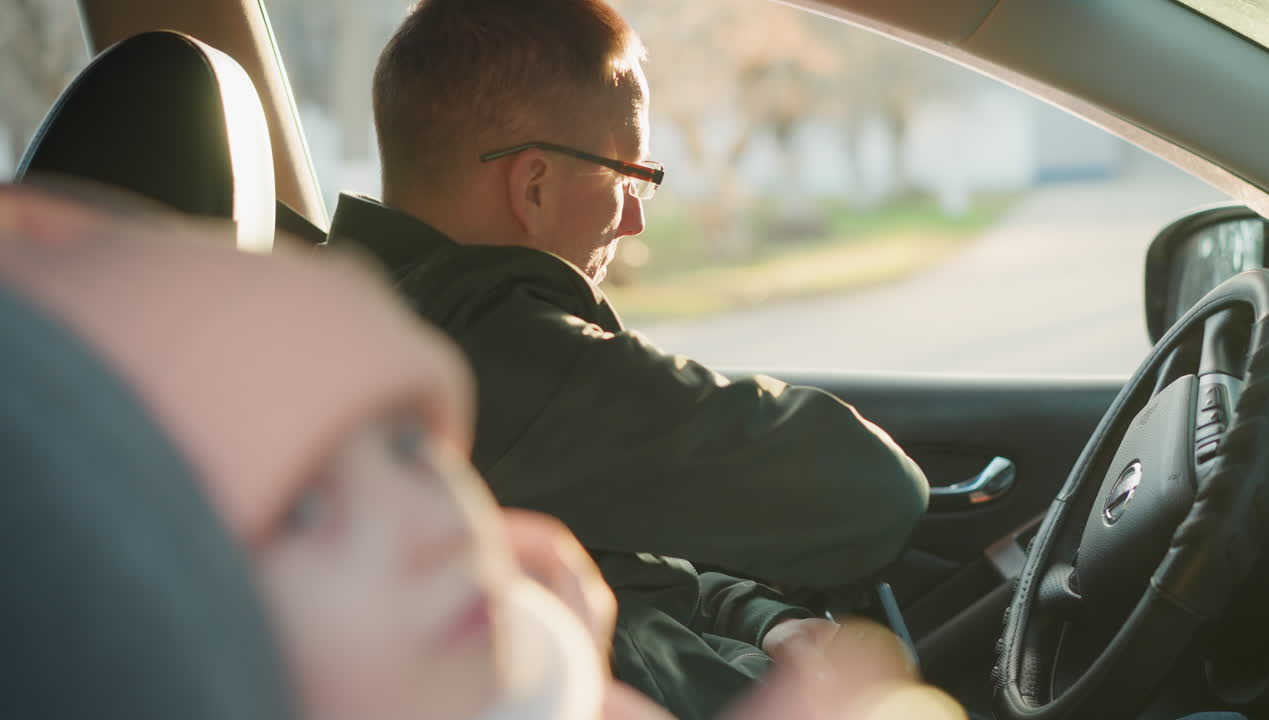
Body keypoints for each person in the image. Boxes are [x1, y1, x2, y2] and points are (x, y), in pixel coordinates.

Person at [0, 181, 967, 720]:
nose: (433, 521)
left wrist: (754, 632)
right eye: (305, 509)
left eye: (413, 448)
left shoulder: (517, 645)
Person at [325, 0, 929, 715]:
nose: (636, 217)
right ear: (534, 185)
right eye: (628, 175)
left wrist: (763, 620)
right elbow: (876, 490)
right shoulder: (507, 359)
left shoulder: (367, 323)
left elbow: (618, 564)